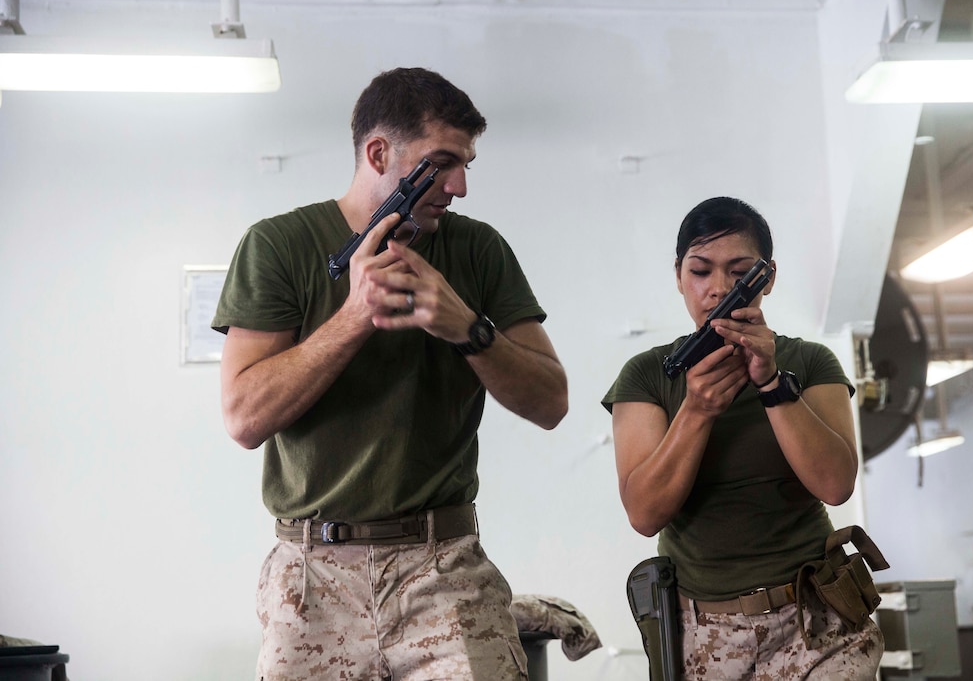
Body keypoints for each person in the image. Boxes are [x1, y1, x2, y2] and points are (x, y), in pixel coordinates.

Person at [213, 67, 568, 681]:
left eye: (466, 164)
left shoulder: (478, 250)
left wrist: (468, 328)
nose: (459, 185)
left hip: (443, 566)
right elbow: (245, 418)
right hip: (310, 575)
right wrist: (354, 317)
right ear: (379, 153)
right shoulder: (278, 246)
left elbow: (551, 401)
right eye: (442, 163)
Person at [602, 197, 883, 679]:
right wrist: (697, 408)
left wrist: (773, 385)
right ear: (678, 276)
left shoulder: (810, 363)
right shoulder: (650, 375)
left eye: (739, 272)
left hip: (816, 621)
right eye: (700, 271)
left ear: (767, 278)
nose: (718, 290)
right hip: (703, 632)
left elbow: (836, 485)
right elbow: (644, 514)